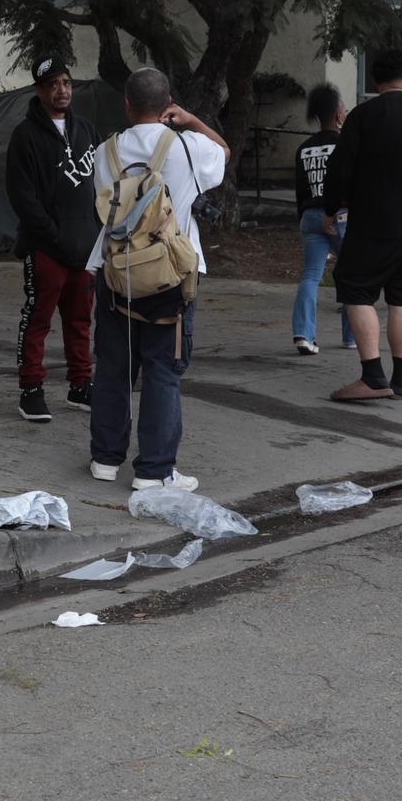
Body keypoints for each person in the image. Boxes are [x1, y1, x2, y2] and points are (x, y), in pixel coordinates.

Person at [87, 67, 229, 490]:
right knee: (162, 370)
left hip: (115, 271)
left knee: (113, 366)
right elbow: (224, 151)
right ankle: (153, 470)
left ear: (126, 105)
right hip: (170, 274)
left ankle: (105, 460)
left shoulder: (104, 153)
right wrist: (191, 121)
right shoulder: (188, 148)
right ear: (168, 104)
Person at [321, 50, 402, 402]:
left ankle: (372, 376)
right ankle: (400, 380)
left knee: (355, 289)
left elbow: (339, 171)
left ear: (373, 81)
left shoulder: (363, 116)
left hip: (372, 224)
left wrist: (331, 208)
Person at [5, 56, 101, 423]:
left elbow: (101, 184)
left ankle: (81, 385)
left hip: (85, 249)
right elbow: (22, 198)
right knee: (38, 318)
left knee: (80, 320)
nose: (61, 90)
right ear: (39, 91)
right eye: (53, 85)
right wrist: (55, 237)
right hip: (45, 248)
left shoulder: (87, 130)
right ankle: (31, 389)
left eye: (66, 83)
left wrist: (95, 232)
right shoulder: (24, 137)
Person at [292, 84, 346, 355]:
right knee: (352, 273)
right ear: (338, 113)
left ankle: (304, 334)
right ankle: (352, 335)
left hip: (310, 216)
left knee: (311, 275)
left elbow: (300, 190)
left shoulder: (304, 148)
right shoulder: (345, 145)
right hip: (340, 216)